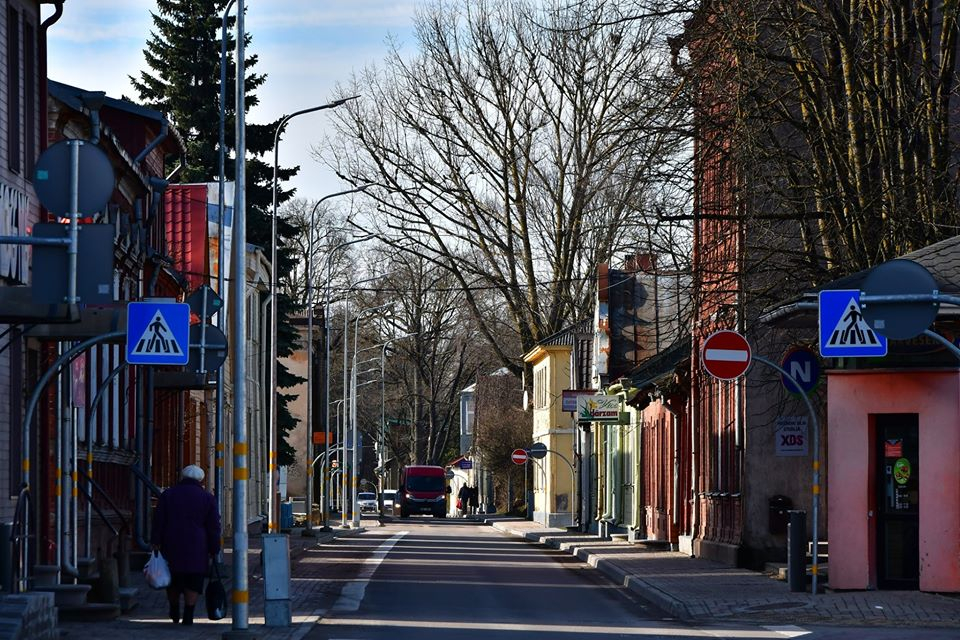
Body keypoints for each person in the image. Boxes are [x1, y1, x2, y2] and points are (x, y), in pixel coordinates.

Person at [151, 464, 221, 625]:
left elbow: (158, 520)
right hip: (197, 545)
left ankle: (174, 608)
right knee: (193, 579)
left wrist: (156, 541)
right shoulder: (207, 498)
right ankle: (189, 613)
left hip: (172, 542)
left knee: (173, 578)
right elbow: (213, 527)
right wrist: (214, 548)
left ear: (182, 477)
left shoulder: (168, 495)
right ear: (201, 480)